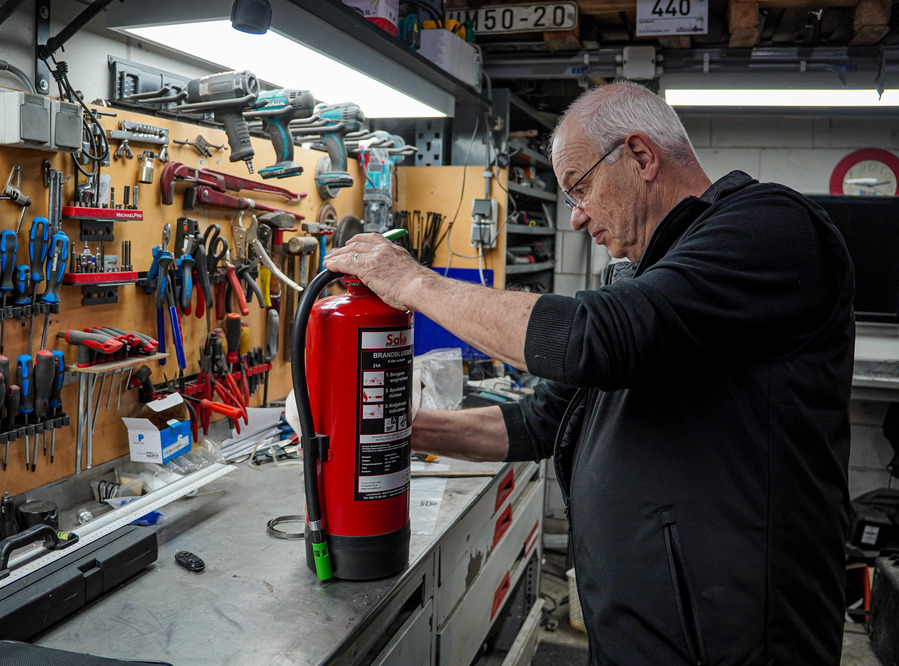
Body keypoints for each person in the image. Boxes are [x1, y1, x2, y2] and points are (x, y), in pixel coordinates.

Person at [323, 81, 855, 664]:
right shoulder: (645, 280)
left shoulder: (770, 227)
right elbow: (537, 422)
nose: (576, 218)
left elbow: (585, 340)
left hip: (738, 641)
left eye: (580, 189)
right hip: (643, 634)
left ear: (642, 156)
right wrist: (386, 426)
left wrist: (415, 282)